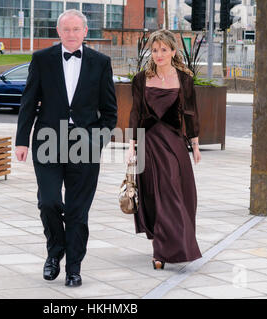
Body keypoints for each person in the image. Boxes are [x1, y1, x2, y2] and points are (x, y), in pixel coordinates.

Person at [15, 9, 117, 287]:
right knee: (48, 202)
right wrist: (21, 140)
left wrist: (97, 141)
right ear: (58, 32)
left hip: (85, 145)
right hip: (47, 140)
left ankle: (73, 267)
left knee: (77, 210)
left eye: (76, 29)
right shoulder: (42, 59)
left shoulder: (101, 62)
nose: (71, 34)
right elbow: (28, 101)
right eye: (66, 29)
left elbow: (110, 112)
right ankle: (54, 250)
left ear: (85, 32)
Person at [128, 30, 202, 270]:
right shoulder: (140, 79)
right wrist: (132, 145)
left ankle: (177, 243)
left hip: (174, 145)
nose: (158, 54)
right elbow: (135, 113)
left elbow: (190, 113)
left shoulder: (185, 79)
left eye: (163, 49)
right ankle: (160, 250)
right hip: (148, 144)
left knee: (174, 192)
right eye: (155, 49)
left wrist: (196, 145)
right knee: (153, 196)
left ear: (173, 51)